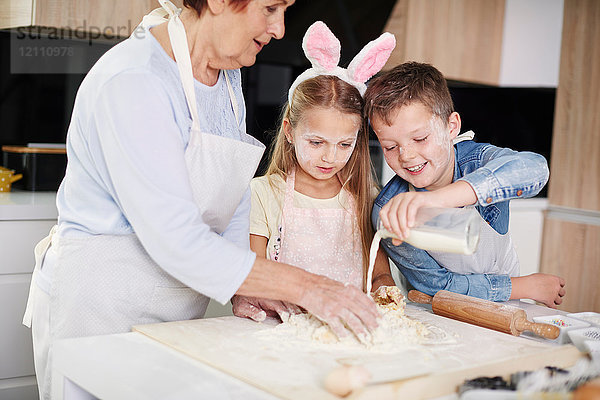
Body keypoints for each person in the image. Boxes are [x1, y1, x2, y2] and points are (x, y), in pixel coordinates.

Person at [21, 2, 381, 398]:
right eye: (271, 8)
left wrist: (247, 286)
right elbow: (177, 240)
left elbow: (232, 195)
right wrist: (308, 287)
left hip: (178, 314)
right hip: (102, 310)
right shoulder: (135, 80)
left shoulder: (226, 79)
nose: (279, 29)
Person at [364, 62, 566, 307]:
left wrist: (435, 200)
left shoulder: (478, 162)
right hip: (445, 311)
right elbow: (437, 286)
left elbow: (535, 170)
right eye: (390, 147)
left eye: (420, 138)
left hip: (508, 303)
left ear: (452, 127)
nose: (406, 155)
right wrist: (527, 286)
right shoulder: (390, 212)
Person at [232, 22, 398, 322]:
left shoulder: (366, 198)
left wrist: (386, 293)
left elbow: (379, 277)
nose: (330, 157)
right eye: (317, 142)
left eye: (344, 144)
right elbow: (253, 277)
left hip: (349, 333)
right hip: (281, 334)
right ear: (290, 132)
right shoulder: (263, 193)